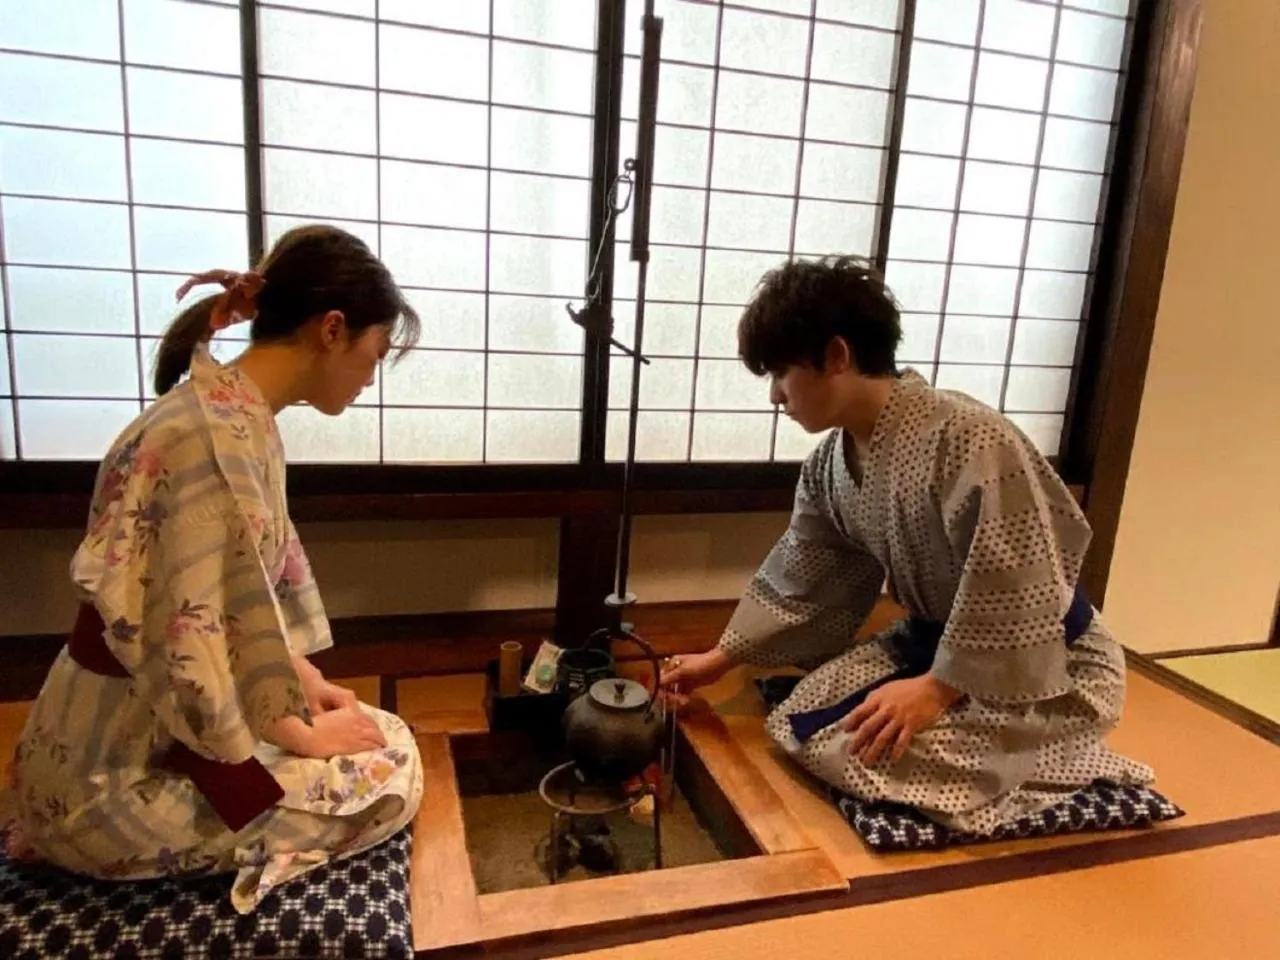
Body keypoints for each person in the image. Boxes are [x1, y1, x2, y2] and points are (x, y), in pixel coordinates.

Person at [5, 224, 425, 912]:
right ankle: (77, 847)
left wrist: (302, 680)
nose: (371, 375)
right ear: (332, 330)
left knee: (379, 735)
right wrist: (301, 733)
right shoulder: (209, 441)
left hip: (117, 735)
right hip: (114, 779)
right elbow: (187, 650)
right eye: (374, 353)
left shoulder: (233, 415)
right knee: (391, 778)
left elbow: (235, 606)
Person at [659, 255, 1154, 836]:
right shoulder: (829, 464)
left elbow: (1019, 579)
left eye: (780, 374)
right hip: (930, 642)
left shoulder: (970, 437)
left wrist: (937, 689)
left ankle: (1063, 752)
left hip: (1045, 662)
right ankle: (996, 744)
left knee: (873, 754)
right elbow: (806, 574)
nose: (775, 396)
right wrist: (720, 661)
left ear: (837, 356)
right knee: (801, 723)